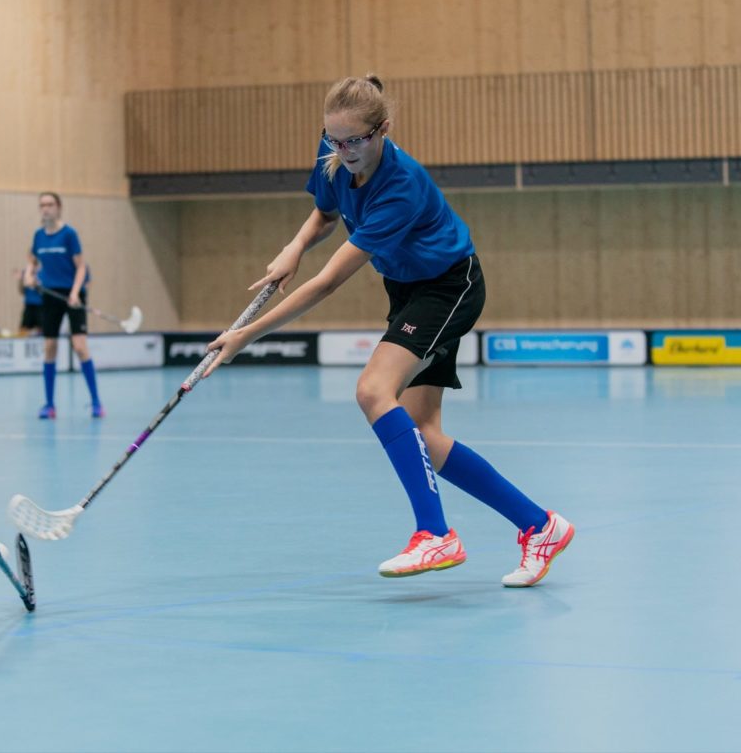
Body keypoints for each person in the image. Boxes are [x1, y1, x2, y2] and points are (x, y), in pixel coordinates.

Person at [204, 75, 574, 588]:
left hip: (447, 287)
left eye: (355, 141)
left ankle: (434, 534)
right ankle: (541, 526)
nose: (344, 151)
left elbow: (329, 282)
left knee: (373, 389)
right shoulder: (334, 149)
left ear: (382, 130)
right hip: (406, 290)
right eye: (334, 140)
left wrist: (245, 334)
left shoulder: (401, 185)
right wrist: (294, 246)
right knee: (424, 436)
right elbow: (326, 213)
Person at [24, 192, 103, 419]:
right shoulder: (38, 236)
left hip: (73, 294)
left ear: (58, 207)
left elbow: (81, 267)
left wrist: (76, 293)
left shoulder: (69, 234)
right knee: (49, 347)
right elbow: (32, 261)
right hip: (50, 296)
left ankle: (96, 402)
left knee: (79, 347)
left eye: (49, 204)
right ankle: (49, 405)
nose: (45, 209)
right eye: (42, 205)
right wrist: (30, 275)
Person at [16, 267, 43, 336]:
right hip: (29, 306)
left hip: (40, 305)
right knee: (23, 328)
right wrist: (20, 280)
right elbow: (22, 291)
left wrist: (35, 283)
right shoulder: (26, 273)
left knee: (42, 328)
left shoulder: (41, 273)